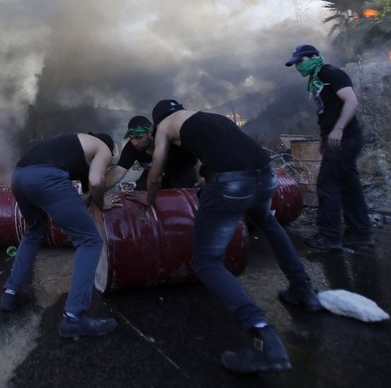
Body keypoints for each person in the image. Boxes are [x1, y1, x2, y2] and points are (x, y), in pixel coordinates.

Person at [134, 99, 321, 375]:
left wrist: (149, 200)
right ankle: (304, 290)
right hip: (266, 174)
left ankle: (262, 336)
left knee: (207, 262)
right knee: (268, 223)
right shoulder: (208, 118)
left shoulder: (164, 127)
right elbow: (205, 163)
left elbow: (156, 173)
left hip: (233, 182)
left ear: (158, 119)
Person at [0, 131, 123, 338]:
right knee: (90, 241)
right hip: (45, 177)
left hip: (19, 176)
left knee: (35, 232)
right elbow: (95, 182)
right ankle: (73, 318)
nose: (106, 164)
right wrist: (102, 203)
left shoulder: (76, 147)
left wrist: (89, 202)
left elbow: (82, 196)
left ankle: (10, 295)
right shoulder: (103, 148)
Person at [285, 44, 374, 251]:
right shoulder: (315, 80)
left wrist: (339, 129)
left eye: (301, 61)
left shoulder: (330, 73)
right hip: (334, 139)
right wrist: (324, 136)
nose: (299, 66)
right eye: (296, 63)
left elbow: (351, 101)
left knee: (328, 185)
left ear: (314, 57)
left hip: (344, 139)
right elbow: (327, 111)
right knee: (350, 188)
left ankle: (329, 236)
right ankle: (360, 234)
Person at [115, 115, 200, 190]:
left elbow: (195, 156)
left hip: (179, 174)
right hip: (155, 175)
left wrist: (201, 179)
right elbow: (119, 171)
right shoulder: (131, 147)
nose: (134, 143)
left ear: (149, 133)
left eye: (139, 137)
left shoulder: (167, 139)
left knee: (181, 193)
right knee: (141, 188)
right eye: (131, 138)